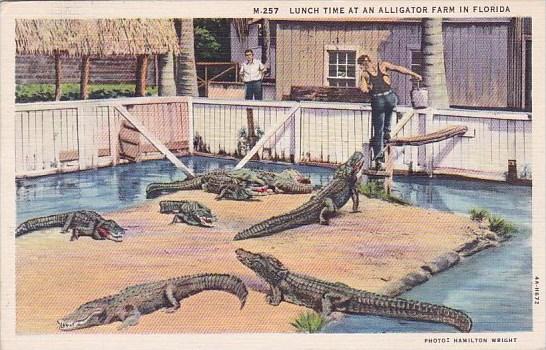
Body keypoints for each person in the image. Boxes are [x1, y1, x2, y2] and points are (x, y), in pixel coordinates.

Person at [357, 54, 422, 170]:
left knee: (378, 130)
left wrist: (367, 83)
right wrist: (414, 74)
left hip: (378, 100)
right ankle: (387, 133)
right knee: (388, 113)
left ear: (361, 65)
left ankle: (378, 158)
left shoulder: (365, 74)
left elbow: (363, 90)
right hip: (391, 97)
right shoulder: (383, 65)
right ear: (372, 60)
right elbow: (399, 68)